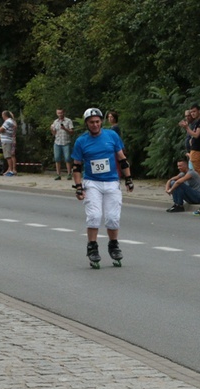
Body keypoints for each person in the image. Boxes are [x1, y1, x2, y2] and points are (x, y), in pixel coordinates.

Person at [71, 107, 133, 268]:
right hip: (92, 183)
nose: (95, 125)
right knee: (94, 216)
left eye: (97, 122)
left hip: (112, 181)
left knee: (113, 218)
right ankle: (92, 247)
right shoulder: (81, 141)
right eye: (91, 122)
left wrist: (128, 179)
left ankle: (114, 245)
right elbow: (76, 167)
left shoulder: (111, 135)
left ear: (101, 122)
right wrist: (79, 187)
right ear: (87, 124)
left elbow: (122, 159)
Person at [181, 104, 200, 187]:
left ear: (199, 111)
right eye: (191, 112)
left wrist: (186, 128)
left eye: (194, 111)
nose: (192, 113)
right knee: (197, 170)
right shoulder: (197, 122)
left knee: (199, 171)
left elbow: (196, 135)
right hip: (195, 149)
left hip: (198, 150)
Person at [51, 108, 74, 180]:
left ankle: (69, 174)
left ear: (63, 113)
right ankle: (58, 174)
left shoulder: (68, 121)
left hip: (66, 142)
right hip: (57, 142)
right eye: (58, 113)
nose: (60, 114)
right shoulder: (55, 122)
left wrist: (65, 128)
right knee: (57, 158)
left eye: (61, 113)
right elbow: (54, 134)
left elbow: (72, 132)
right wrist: (51, 129)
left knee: (67, 158)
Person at [0, 111, 17, 177]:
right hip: (10, 140)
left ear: (4, 115)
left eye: (2, 115)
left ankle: (10, 170)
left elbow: (1, 129)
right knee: (10, 155)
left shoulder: (7, 122)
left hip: (6, 141)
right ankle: (11, 169)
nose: (2, 116)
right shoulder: (12, 121)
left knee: (8, 156)